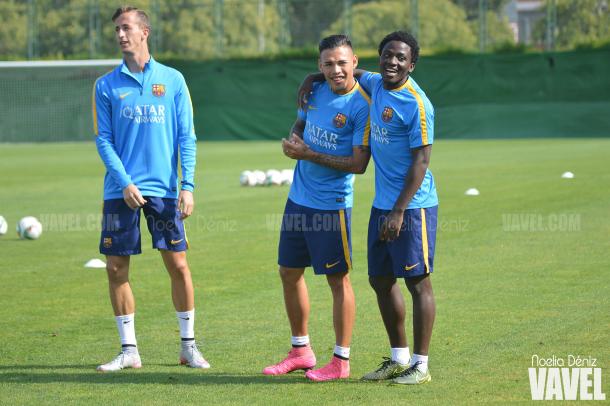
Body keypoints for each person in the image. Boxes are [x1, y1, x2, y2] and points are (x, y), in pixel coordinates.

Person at [298, 31, 438, 385]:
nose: (393, 62)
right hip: (381, 205)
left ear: (412, 64)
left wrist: (399, 211)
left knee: (418, 282)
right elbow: (344, 72)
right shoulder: (375, 83)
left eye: (401, 58)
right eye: (387, 55)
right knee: (379, 279)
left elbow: (421, 162)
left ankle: (420, 366)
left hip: (413, 206)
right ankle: (398, 358)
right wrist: (312, 77)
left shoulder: (417, 104)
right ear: (378, 58)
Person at [92, 6, 208, 372]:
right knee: (115, 269)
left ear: (145, 32)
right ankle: (129, 351)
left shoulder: (172, 79)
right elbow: (103, 140)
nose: (121, 35)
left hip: (165, 191)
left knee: (178, 265)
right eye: (116, 30)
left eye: (126, 28)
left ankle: (188, 347)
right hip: (119, 191)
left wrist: (187, 185)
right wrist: (124, 182)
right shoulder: (106, 85)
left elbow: (186, 136)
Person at [262, 34, 371, 382]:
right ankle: (301, 350)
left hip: (331, 206)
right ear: (319, 66)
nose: (335, 70)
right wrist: (295, 139)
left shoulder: (362, 105)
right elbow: (301, 124)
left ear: (354, 62)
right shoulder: (314, 89)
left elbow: (358, 164)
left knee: (337, 281)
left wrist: (309, 155)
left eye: (342, 62)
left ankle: (341, 360)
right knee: (288, 271)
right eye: (328, 64)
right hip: (298, 199)